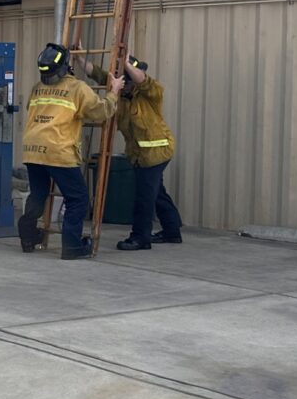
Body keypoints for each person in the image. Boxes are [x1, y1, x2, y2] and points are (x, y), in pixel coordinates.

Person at [16, 43, 123, 260]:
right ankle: (72, 246)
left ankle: (28, 236)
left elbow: (31, 109)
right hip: (58, 150)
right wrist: (114, 92)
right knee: (78, 199)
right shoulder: (77, 88)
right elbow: (101, 111)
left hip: (32, 149)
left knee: (38, 194)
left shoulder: (37, 88)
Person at [80, 53, 184, 249]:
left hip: (156, 152)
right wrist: (80, 59)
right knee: (156, 192)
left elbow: (143, 80)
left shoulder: (150, 92)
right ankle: (172, 231)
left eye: (125, 80)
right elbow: (100, 75)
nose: (121, 85)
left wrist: (126, 65)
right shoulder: (121, 95)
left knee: (145, 196)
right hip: (139, 155)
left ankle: (140, 238)